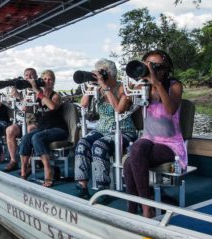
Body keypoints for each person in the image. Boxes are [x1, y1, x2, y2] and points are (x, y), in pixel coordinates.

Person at [123, 50, 185, 218]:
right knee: (133, 155)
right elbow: (121, 108)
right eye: (149, 66)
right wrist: (128, 87)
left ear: (167, 69)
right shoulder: (142, 87)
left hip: (170, 144)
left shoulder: (174, 86)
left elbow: (171, 109)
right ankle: (136, 207)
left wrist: (156, 83)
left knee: (132, 158)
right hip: (148, 140)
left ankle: (145, 208)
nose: (153, 71)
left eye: (158, 67)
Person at [74, 59, 136, 199]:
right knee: (82, 144)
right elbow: (83, 105)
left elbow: (119, 109)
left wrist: (105, 87)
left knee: (99, 146)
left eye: (102, 72)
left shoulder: (124, 88)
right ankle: (82, 186)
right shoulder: (98, 88)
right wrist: (91, 85)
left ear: (111, 74)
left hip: (123, 130)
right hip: (101, 129)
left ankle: (103, 188)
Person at [19, 70, 67, 187]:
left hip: (58, 129)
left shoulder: (56, 96)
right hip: (44, 129)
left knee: (36, 137)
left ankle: (48, 170)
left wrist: (38, 92)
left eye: (50, 79)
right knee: (26, 138)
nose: (47, 81)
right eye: (44, 79)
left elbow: (51, 106)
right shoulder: (37, 95)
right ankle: (24, 170)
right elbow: (24, 109)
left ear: (53, 82)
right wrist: (29, 94)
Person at [3, 67, 38, 172]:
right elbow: (12, 105)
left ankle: (29, 163)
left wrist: (19, 97)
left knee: (30, 130)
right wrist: (11, 96)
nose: (29, 77)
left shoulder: (37, 90)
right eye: (26, 75)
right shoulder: (21, 90)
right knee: (10, 130)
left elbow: (29, 107)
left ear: (36, 77)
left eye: (31, 75)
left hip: (34, 121)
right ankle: (14, 161)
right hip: (21, 121)